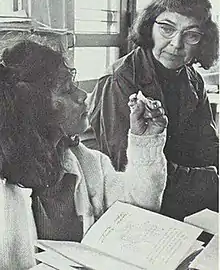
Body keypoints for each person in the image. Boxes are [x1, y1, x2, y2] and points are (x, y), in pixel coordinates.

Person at [0, 40, 167, 269]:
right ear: (33, 106)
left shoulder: (86, 161)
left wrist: (145, 140)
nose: (83, 95)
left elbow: (139, 209)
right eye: (67, 90)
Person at [86, 0, 219, 220]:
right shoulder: (121, 79)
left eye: (191, 35)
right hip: (128, 206)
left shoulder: (192, 78)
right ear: (149, 27)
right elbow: (126, 167)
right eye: (167, 29)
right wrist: (212, 180)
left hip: (183, 195)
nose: (176, 44)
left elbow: (207, 145)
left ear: (202, 41)